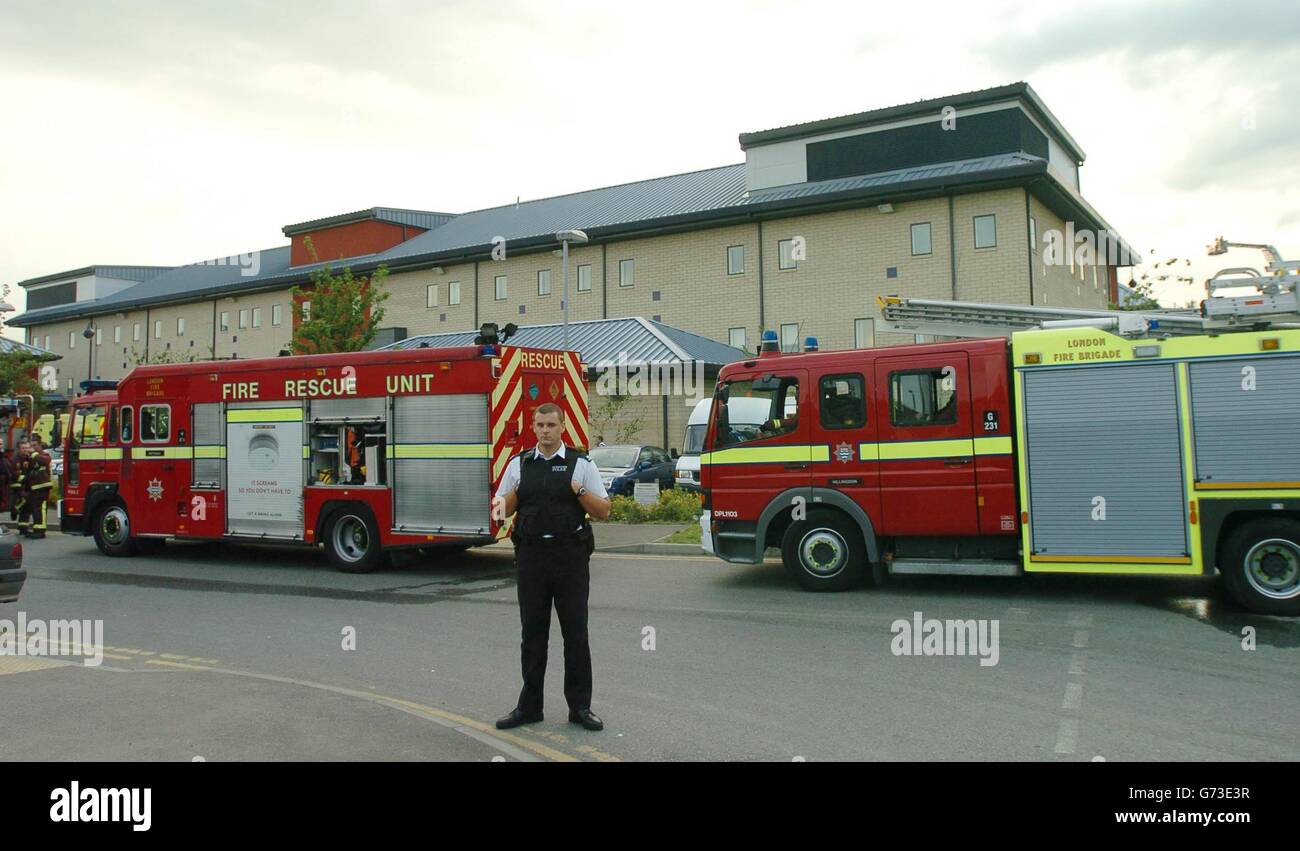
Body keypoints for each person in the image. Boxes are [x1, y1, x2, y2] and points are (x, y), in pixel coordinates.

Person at [491, 403, 611, 732]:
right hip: (532, 559)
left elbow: (604, 511)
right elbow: (499, 512)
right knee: (533, 636)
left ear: (562, 427)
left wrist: (580, 490)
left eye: (551, 425)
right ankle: (529, 708)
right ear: (533, 427)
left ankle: (580, 708)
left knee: (575, 635)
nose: (545, 430)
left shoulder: (580, 464)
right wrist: (516, 492)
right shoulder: (518, 465)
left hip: (570, 558)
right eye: (540, 425)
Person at [20, 449, 52, 538]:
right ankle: (37, 530)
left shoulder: (41, 456)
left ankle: (40, 531)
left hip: (41, 487)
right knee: (36, 508)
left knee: (39, 508)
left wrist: (33, 455)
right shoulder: (29, 459)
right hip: (35, 488)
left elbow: (44, 461)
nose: (27, 451)